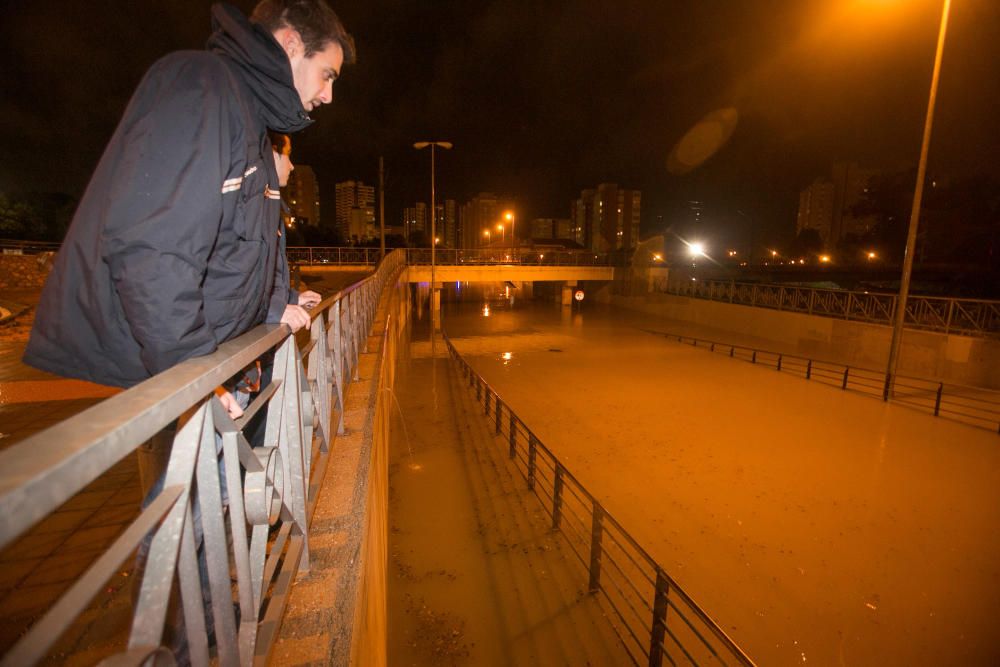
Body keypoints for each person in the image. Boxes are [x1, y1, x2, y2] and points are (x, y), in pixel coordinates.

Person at [23, 1, 354, 424]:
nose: (328, 94)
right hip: (195, 374)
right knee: (199, 488)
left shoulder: (249, 119)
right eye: (327, 74)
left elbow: (236, 256)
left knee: (235, 486)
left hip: (225, 369)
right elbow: (153, 249)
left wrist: (277, 305)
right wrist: (193, 374)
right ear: (291, 44)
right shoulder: (204, 86)